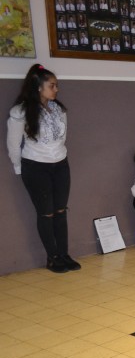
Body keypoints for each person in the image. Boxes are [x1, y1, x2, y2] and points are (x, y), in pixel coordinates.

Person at [6, 64, 81, 273]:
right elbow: (13, 144)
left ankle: (64, 254)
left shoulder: (58, 109)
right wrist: (18, 167)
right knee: (46, 213)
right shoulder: (20, 112)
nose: (56, 89)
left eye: (56, 85)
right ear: (38, 87)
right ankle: (52, 257)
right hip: (35, 167)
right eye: (52, 85)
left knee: (60, 211)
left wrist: (58, 155)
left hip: (61, 165)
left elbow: (62, 138)